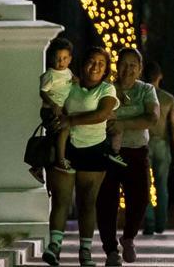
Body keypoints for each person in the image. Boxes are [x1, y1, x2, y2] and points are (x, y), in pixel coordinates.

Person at [46, 48, 120, 267]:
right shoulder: (70, 85)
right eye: (91, 61)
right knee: (61, 199)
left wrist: (71, 121)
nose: (95, 66)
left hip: (94, 150)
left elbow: (102, 114)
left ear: (106, 70)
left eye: (101, 63)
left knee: (87, 203)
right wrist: (54, 115)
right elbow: (53, 103)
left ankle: (85, 251)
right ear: (82, 64)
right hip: (66, 147)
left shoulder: (107, 89)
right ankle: (54, 247)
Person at [96, 48, 159, 266]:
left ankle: (129, 237)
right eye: (124, 63)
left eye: (133, 65)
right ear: (117, 65)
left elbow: (152, 118)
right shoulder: (107, 89)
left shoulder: (146, 90)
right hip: (108, 152)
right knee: (106, 202)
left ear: (140, 69)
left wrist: (122, 123)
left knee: (140, 197)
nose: (128, 68)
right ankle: (111, 250)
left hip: (137, 151)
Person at [142, 60, 174, 235]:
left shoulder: (141, 95)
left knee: (145, 185)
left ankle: (149, 222)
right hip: (162, 143)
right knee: (161, 185)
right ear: (160, 76)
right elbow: (173, 127)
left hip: (143, 142)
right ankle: (161, 222)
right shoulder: (168, 98)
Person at [32, 38, 77, 185]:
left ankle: (44, 163)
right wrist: (52, 104)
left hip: (62, 110)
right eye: (58, 58)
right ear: (52, 58)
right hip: (50, 111)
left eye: (64, 58)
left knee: (58, 135)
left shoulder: (68, 72)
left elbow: (70, 83)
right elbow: (42, 92)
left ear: (69, 59)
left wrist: (76, 81)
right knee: (61, 131)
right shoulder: (50, 75)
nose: (61, 62)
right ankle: (58, 160)